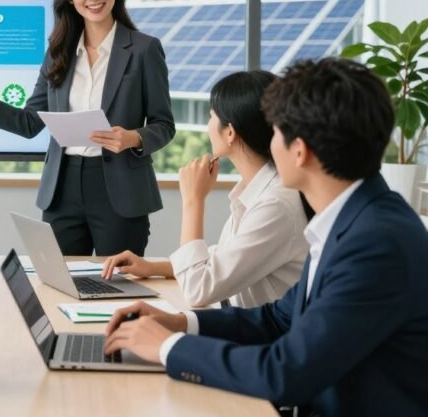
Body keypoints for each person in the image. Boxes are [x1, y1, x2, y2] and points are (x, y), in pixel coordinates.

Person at [103, 58, 428, 417]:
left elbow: (286, 372)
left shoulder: (377, 243)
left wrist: (169, 347)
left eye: (275, 133)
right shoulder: (352, 219)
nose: (267, 142)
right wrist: (181, 323)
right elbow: (280, 319)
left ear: (300, 151)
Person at [0, 0, 175, 256]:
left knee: (119, 287)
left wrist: (133, 137)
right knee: (59, 283)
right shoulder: (58, 53)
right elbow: (30, 123)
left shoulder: (144, 50)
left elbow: (164, 124)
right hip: (63, 187)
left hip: (120, 189)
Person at [101, 71, 309, 307]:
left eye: (211, 117)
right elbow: (223, 260)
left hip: (264, 337)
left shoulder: (275, 205)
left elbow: (198, 290)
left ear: (230, 132)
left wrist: (192, 200)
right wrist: (152, 267)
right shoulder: (259, 191)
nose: (208, 125)